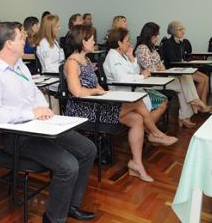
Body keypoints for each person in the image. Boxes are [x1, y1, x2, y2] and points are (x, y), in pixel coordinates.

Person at [0, 22, 97, 223]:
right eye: (22, 37)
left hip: (39, 127)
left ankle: (70, 205)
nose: (27, 41)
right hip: (15, 136)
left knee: (88, 149)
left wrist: (43, 110)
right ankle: (53, 219)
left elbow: (35, 94)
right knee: (68, 165)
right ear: (9, 43)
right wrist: (30, 113)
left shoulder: (20, 66)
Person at [65, 25, 176, 183]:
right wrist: (98, 93)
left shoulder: (86, 60)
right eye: (91, 39)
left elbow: (95, 85)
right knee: (137, 103)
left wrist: (104, 92)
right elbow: (76, 91)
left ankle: (136, 164)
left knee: (137, 120)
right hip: (83, 109)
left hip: (95, 103)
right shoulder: (72, 62)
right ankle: (155, 133)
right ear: (83, 42)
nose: (94, 41)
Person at [161, 21, 210, 104]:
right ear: (173, 31)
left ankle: (203, 103)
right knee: (202, 80)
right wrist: (185, 64)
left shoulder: (181, 43)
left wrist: (187, 62)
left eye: (183, 29)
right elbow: (174, 62)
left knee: (206, 78)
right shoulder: (168, 44)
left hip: (183, 69)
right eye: (180, 29)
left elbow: (183, 58)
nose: (182, 31)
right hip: (175, 71)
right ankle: (197, 105)